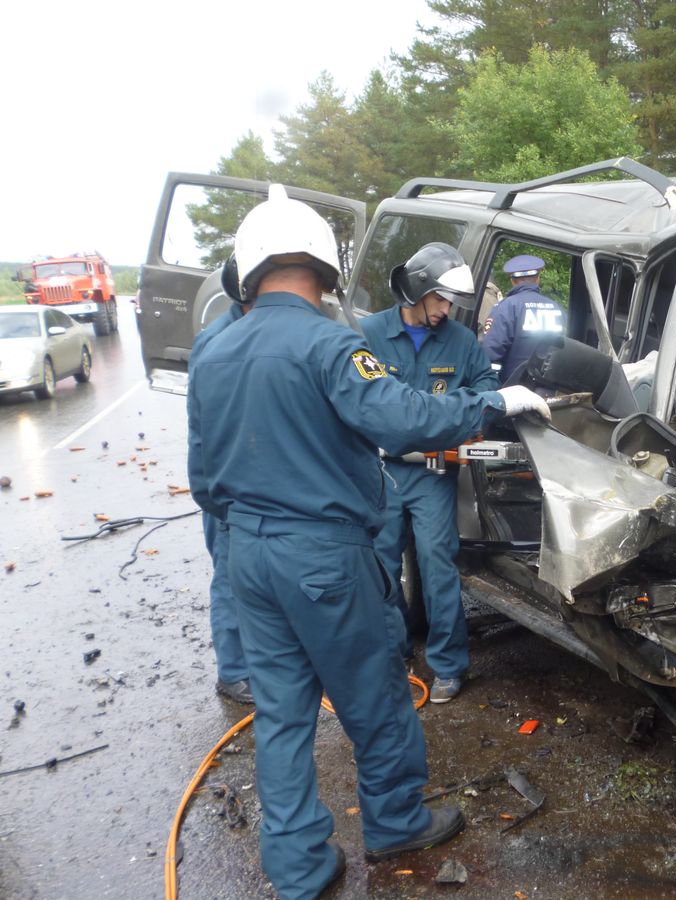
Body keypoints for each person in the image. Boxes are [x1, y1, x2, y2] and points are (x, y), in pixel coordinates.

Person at [187, 185, 550, 899]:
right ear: (323, 269)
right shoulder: (329, 344)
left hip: (246, 555)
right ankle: (392, 823)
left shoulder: (214, 348)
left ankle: (297, 867)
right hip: (323, 556)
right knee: (378, 697)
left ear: (251, 269)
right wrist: (491, 402)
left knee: (284, 715)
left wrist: (245, 533)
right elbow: (404, 419)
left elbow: (203, 478)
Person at [361, 243, 499, 704]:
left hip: (433, 471)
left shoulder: (460, 342)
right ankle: (394, 652)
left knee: (438, 564)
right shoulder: (368, 335)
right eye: (439, 300)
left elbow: (487, 390)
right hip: (379, 472)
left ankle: (448, 664)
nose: (446, 310)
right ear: (416, 291)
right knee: (380, 566)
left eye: (451, 302)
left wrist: (463, 417)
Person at [189, 254, 253, 705]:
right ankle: (233, 672)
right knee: (231, 579)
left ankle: (259, 662)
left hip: (259, 485)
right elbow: (204, 432)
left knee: (256, 580)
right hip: (228, 490)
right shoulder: (220, 343)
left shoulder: (256, 332)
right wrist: (216, 498)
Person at [481, 254, 565, 382]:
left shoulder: (506, 307)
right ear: (538, 279)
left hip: (513, 391)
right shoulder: (557, 308)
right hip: (549, 392)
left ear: (513, 281)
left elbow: (489, 353)